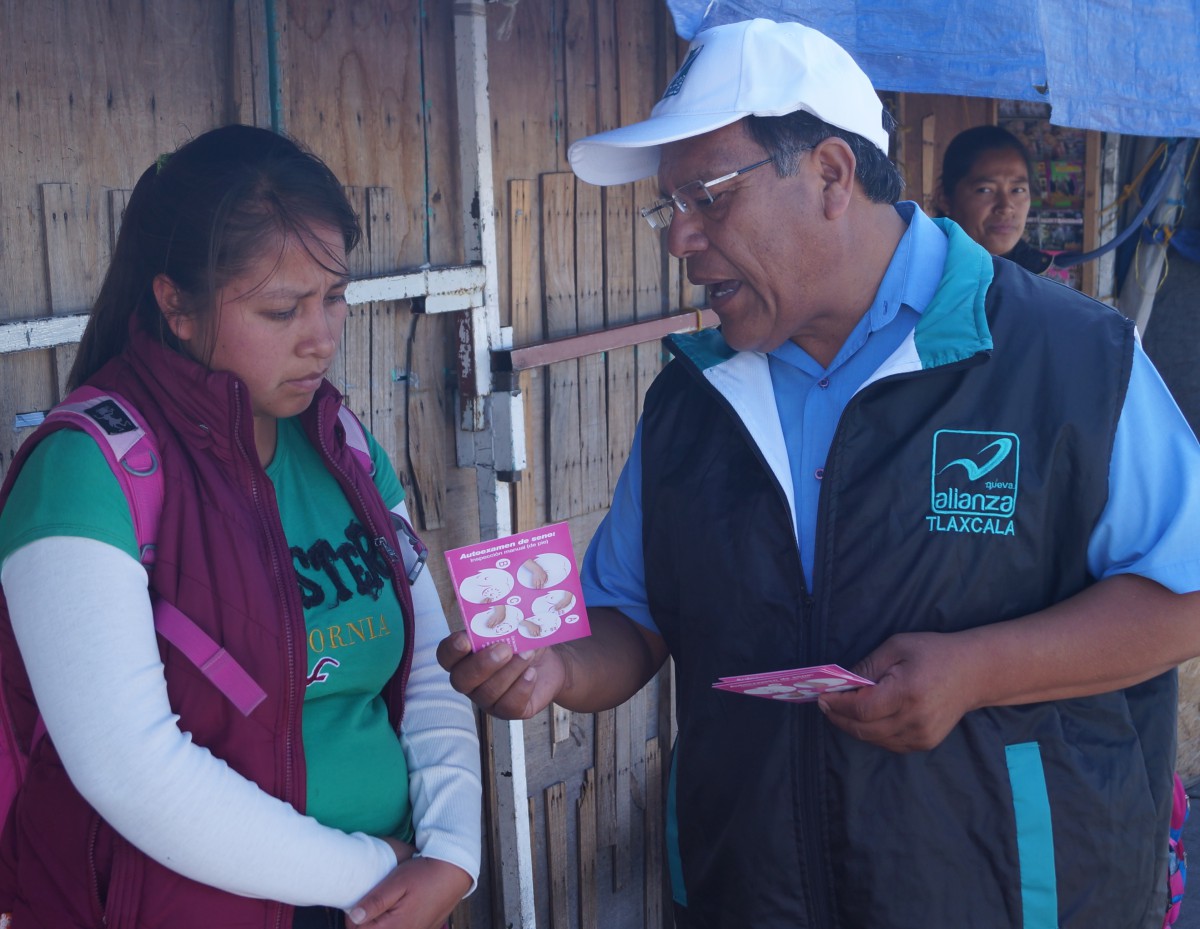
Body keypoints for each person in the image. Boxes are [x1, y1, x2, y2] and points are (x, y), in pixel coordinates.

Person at [436, 18, 1200, 929]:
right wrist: (555, 666)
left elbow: (1185, 594)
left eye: (707, 197)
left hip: (1011, 899)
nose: (679, 238)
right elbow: (631, 617)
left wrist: (980, 670)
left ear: (833, 176)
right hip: (751, 899)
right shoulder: (692, 401)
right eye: (668, 206)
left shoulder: (1067, 356)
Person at [0, 125, 481, 928]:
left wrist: (454, 853)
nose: (321, 337)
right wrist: (372, 873)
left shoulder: (344, 447)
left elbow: (429, 670)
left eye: (334, 297)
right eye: (280, 309)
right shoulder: (88, 470)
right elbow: (129, 766)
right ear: (176, 305)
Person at [938, 123, 1055, 273]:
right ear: (945, 200)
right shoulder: (916, 273)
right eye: (985, 190)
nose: (1005, 208)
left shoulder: (1038, 280)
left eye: (1017, 190)